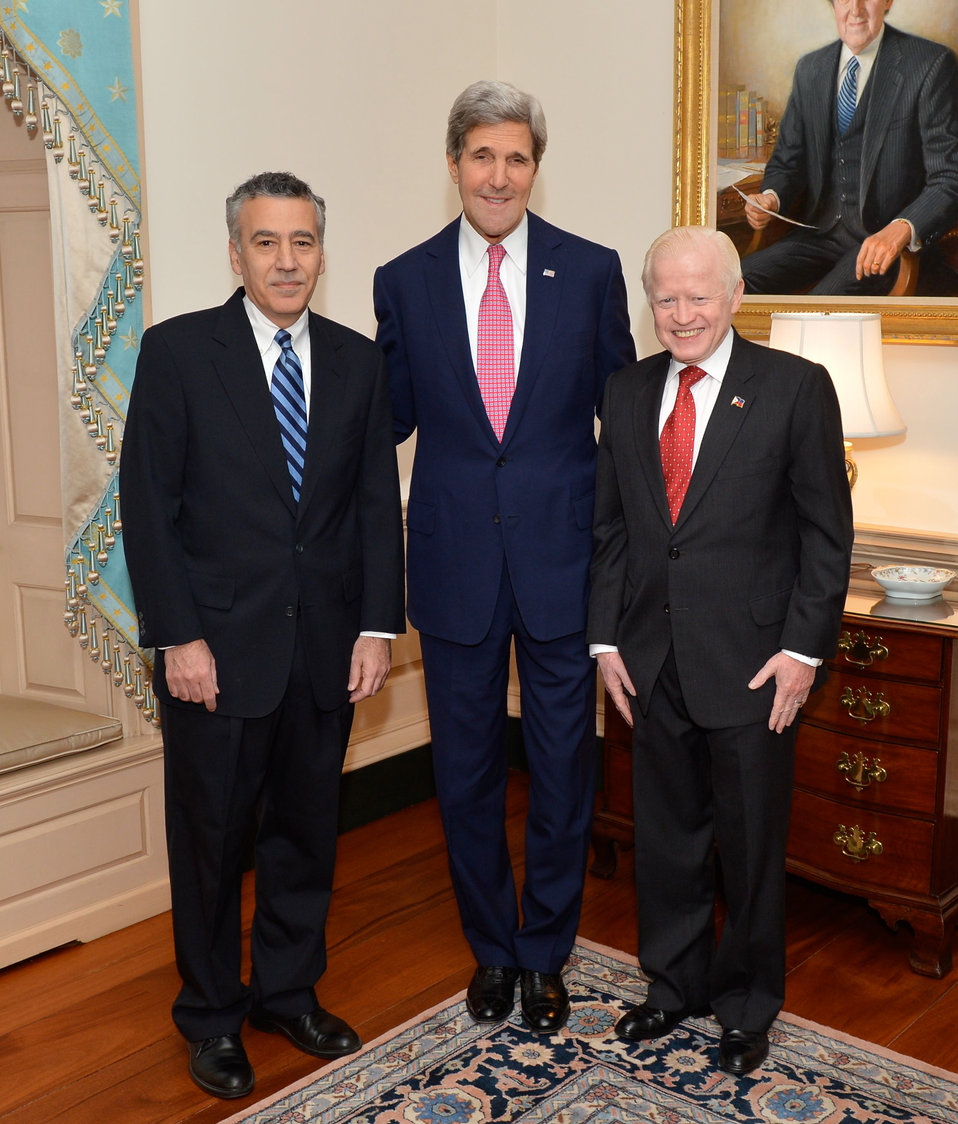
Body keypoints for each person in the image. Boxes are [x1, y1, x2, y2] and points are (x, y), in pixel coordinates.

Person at [120, 171, 405, 1099]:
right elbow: (147, 511)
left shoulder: (359, 362)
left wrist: (375, 625)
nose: (288, 261)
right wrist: (179, 638)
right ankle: (209, 1016)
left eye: (304, 242)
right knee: (210, 841)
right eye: (267, 242)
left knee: (304, 835)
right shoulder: (176, 353)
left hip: (325, 650)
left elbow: (372, 505)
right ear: (235, 252)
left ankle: (287, 991)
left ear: (323, 250)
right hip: (215, 654)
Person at [373, 80, 635, 1035]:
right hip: (452, 570)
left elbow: (627, 424)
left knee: (567, 771)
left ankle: (546, 955)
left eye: (516, 157)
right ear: (453, 166)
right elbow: (385, 422)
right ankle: (492, 948)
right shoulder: (400, 280)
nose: (499, 174)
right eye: (481, 156)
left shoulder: (592, 270)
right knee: (468, 772)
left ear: (535, 169)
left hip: (564, 567)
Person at [588, 225, 853, 1075]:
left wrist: (803, 654)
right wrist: (604, 641)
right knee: (664, 842)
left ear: (738, 295)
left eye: (699, 295)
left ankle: (745, 1005)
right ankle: (672, 989)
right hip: (649, 662)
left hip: (753, 666)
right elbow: (613, 532)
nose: (681, 312)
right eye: (665, 297)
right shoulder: (626, 392)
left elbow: (825, 536)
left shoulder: (794, 388)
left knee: (749, 849)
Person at [742, 0, 958, 296]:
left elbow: (949, 177)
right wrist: (771, 198)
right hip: (817, 236)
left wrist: (901, 229)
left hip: (886, 246)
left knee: (817, 314)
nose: (855, 9)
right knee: (731, 285)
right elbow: (787, 161)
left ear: (887, 1)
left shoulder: (929, 64)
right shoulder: (810, 69)